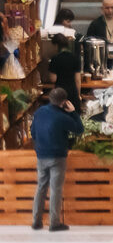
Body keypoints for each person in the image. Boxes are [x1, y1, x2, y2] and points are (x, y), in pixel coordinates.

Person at [30, 88, 82, 231]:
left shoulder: (39, 112)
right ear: (64, 102)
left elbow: (33, 132)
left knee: (40, 187)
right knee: (55, 190)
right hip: (57, 156)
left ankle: (36, 221)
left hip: (41, 155)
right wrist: (73, 112)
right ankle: (54, 223)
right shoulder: (63, 117)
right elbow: (79, 129)